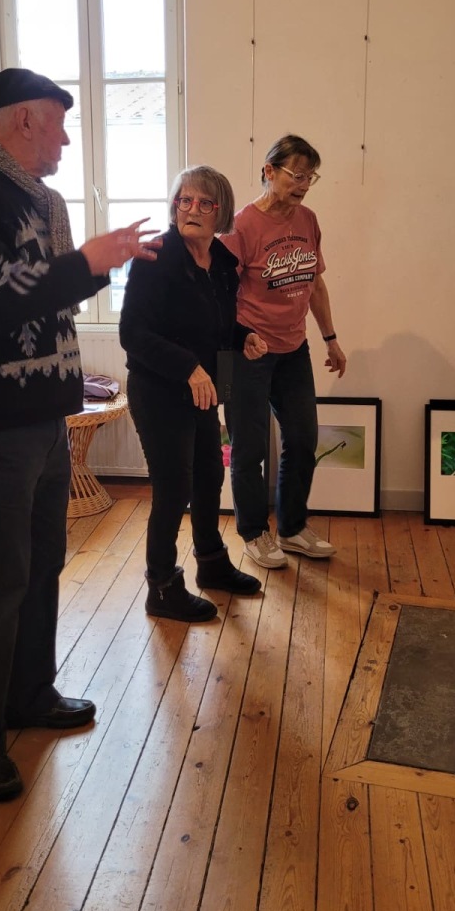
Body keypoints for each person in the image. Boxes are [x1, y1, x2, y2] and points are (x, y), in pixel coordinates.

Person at [0, 67, 158, 801]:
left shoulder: (38, 198)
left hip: (44, 412)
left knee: (43, 561)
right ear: (23, 120)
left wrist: (93, 266)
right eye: (58, 123)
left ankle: (28, 694)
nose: (65, 139)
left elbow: (49, 297)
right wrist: (89, 262)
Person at [119, 166, 268, 622]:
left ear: (220, 212)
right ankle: (162, 587)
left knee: (209, 476)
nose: (192, 210)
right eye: (185, 200)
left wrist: (242, 335)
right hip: (159, 389)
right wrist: (188, 367)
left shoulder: (221, 261)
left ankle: (212, 563)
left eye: (205, 203)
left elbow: (216, 322)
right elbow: (133, 333)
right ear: (174, 206)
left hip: (204, 388)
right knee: (173, 487)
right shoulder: (154, 257)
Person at [221, 134, 347, 569]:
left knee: (302, 439)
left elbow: (314, 283)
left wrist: (331, 338)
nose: (304, 185)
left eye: (311, 177)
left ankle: (291, 529)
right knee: (248, 448)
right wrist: (240, 336)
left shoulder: (308, 220)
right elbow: (219, 296)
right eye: (297, 175)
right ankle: (253, 534)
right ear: (269, 171)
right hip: (246, 352)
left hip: (294, 348)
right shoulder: (240, 227)